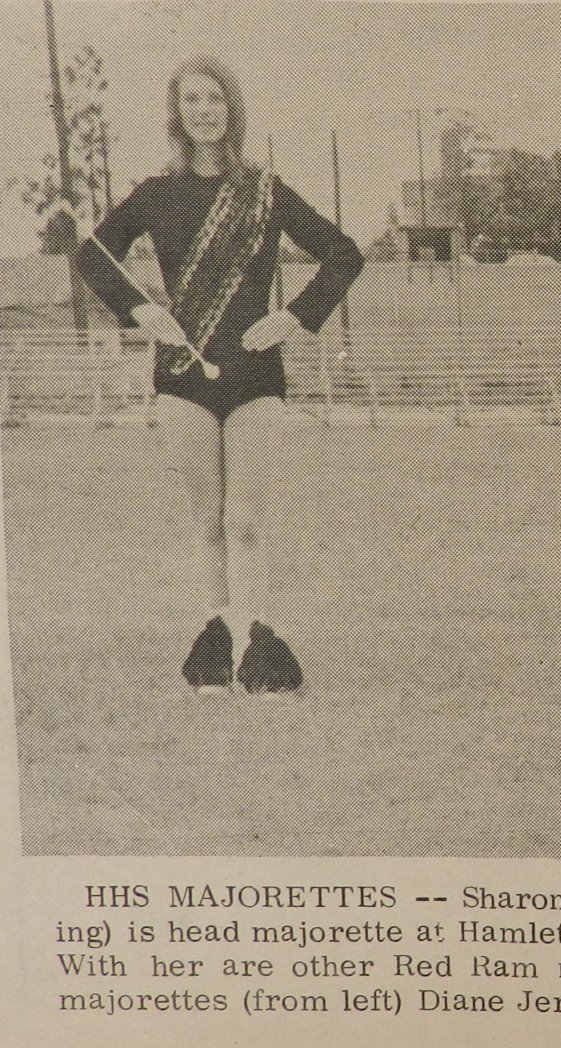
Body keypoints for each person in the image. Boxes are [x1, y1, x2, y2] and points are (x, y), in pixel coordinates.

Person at [75, 56, 363, 693]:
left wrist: (293, 317)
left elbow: (344, 255)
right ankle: (216, 646)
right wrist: (140, 309)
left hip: (255, 373)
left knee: (248, 521)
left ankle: (255, 647)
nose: (203, 110)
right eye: (190, 100)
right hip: (183, 375)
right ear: (177, 113)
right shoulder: (154, 193)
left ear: (232, 108)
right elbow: (90, 256)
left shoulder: (265, 191)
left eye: (214, 99)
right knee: (208, 521)